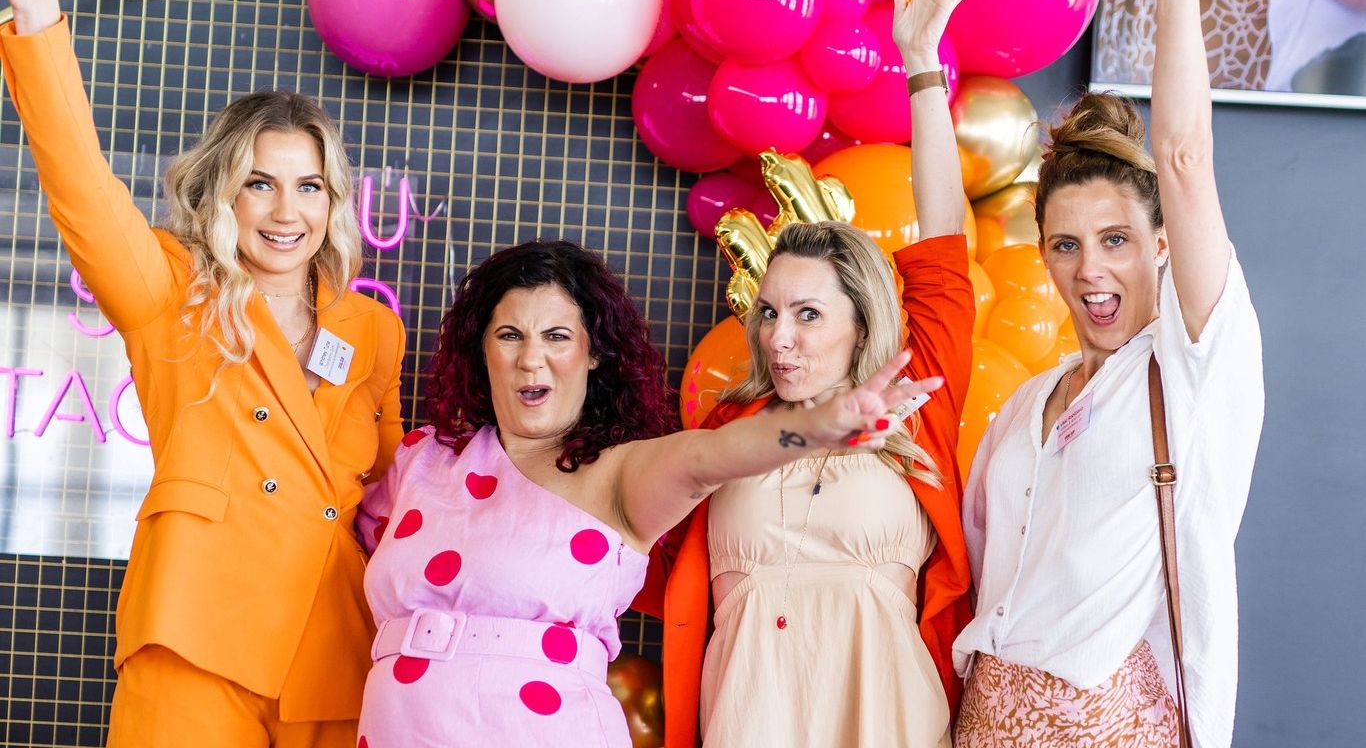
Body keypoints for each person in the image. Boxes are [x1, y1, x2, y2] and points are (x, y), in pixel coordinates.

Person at [0, 0, 408, 745]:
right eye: (260, 184)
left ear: (332, 202)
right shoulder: (171, 290)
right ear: (224, 191)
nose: (286, 212)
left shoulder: (374, 330)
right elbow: (84, 193)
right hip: (196, 638)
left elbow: (397, 496)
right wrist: (37, 19)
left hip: (331, 655)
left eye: (308, 187)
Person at [352, 240, 939, 747]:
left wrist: (817, 427)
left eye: (557, 336)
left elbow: (713, 456)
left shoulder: (619, 474)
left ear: (594, 352)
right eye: (510, 335)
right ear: (481, 348)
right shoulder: (422, 458)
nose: (531, 359)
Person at [640, 0, 978, 745]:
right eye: (768, 312)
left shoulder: (914, 398)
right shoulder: (729, 429)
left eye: (808, 314)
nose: (778, 337)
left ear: (863, 325)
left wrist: (920, 63)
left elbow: (944, 250)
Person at [951, 0, 1264, 744]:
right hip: (982, 720)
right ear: (1044, 256)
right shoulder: (1028, 404)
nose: (1091, 268)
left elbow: (1183, 157)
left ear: (1162, 244)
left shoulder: (1191, 370)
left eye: (1116, 240)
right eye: (1067, 244)